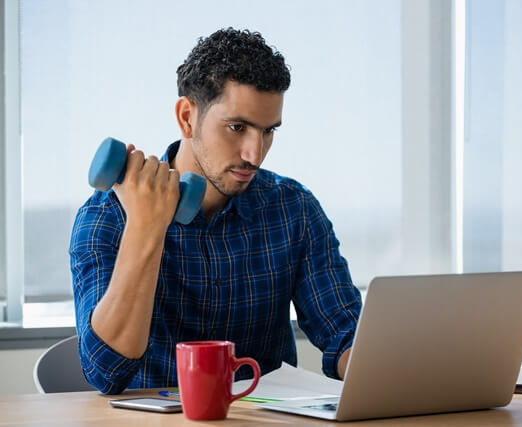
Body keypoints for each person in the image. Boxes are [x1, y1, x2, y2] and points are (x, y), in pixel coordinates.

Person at [69, 28, 362, 394]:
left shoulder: (294, 209)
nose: (254, 154)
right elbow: (105, 372)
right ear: (187, 117)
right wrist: (145, 225)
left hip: (265, 415)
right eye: (237, 127)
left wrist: (384, 367)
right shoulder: (107, 217)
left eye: (268, 131)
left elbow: (344, 332)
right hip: (155, 419)